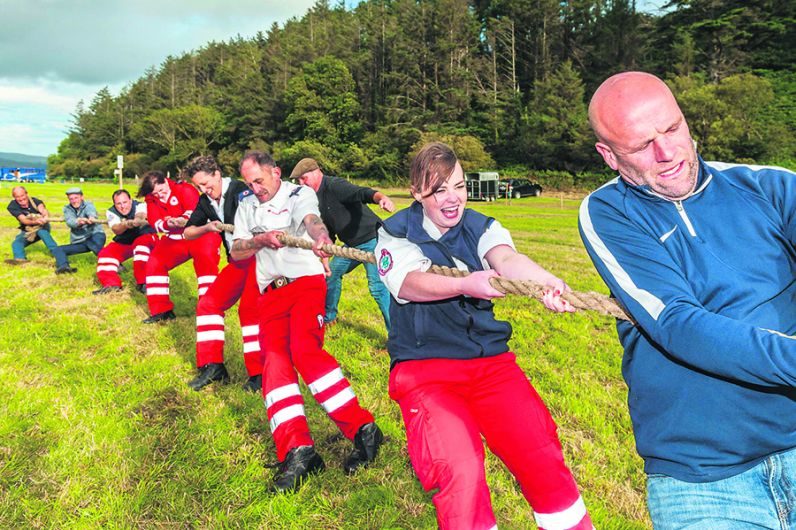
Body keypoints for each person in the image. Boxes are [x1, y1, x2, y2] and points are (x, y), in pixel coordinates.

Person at [579, 71, 796, 528]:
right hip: (704, 483)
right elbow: (678, 323)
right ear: (609, 156)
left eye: (672, 129)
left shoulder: (770, 187)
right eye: (641, 146)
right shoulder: (609, 212)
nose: (667, 153)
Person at [375, 142, 593, 530]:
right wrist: (466, 285)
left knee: (539, 452)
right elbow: (409, 284)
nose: (453, 198)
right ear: (416, 192)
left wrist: (546, 282)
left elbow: (507, 259)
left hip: (490, 365)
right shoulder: (395, 233)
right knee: (459, 473)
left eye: (459, 186)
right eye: (439, 190)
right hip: (427, 372)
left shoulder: (480, 226)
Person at [232, 151, 383, 491]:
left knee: (304, 351)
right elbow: (236, 250)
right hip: (270, 292)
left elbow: (313, 220)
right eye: (249, 183)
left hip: (305, 284)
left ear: (276, 172)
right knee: (274, 365)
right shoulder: (245, 206)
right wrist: (257, 240)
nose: (255, 188)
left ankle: (362, 429)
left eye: (260, 180)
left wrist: (322, 238)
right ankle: (298, 450)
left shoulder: (299, 194)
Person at [181, 155, 263, 392]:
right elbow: (188, 232)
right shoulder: (205, 200)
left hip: (259, 259)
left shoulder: (241, 190)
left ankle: (259, 373)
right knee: (208, 304)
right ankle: (213, 365)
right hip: (236, 261)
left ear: (217, 174)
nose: (205, 190)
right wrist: (207, 227)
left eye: (207, 184)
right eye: (198, 187)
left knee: (249, 310)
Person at [291, 158, 394, 329]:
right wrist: (325, 259)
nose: (302, 183)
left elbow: (362, 192)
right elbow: (329, 229)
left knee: (377, 288)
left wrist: (381, 197)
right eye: (299, 181)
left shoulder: (335, 185)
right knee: (331, 276)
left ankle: (397, 338)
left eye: (304, 178)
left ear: (316, 172)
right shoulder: (316, 198)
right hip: (351, 246)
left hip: (374, 240)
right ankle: (329, 317)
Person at [138, 170, 221, 324]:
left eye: (161, 191)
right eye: (155, 194)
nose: (160, 196)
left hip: (201, 233)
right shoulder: (151, 199)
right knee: (154, 264)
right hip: (175, 238)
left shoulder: (185, 189)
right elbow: (155, 222)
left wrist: (180, 220)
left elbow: (194, 213)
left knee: (206, 264)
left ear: (166, 181)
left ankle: (209, 309)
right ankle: (162, 311)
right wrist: (167, 224)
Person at [93, 189, 158, 295]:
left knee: (141, 247)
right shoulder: (111, 212)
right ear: (114, 204)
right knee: (105, 254)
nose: (122, 206)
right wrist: (126, 224)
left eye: (125, 202)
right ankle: (112, 284)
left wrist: (137, 219)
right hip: (126, 241)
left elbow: (141, 214)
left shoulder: (141, 205)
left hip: (145, 236)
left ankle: (143, 283)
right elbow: (116, 229)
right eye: (119, 204)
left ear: (130, 201)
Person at [5, 186, 74, 273]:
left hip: (42, 227)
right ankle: (20, 260)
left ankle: (60, 257)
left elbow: (42, 209)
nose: (21, 198)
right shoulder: (12, 206)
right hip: (28, 230)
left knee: (43, 234)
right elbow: (24, 220)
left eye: (22, 195)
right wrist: (36, 221)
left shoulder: (35, 201)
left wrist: (45, 216)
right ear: (14, 197)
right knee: (17, 243)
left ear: (26, 194)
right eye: (17, 197)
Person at [59, 187, 107, 259]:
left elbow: (91, 211)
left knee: (93, 244)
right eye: (71, 199)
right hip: (80, 240)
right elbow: (70, 222)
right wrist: (78, 222)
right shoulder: (67, 209)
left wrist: (91, 217)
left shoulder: (88, 204)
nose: (74, 201)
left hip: (95, 234)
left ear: (82, 197)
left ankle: (116, 264)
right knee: (57, 250)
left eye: (76, 198)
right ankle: (64, 268)